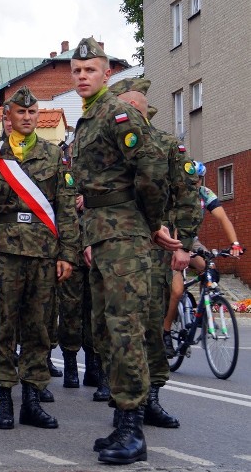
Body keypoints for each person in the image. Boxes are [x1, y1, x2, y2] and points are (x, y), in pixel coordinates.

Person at [70, 37, 180, 465]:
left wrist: (151, 223)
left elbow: (151, 167)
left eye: (90, 70)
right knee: (103, 329)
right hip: (101, 232)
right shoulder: (90, 116)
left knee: (124, 328)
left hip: (124, 232)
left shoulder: (117, 111)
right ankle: (121, 419)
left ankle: (133, 428)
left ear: (106, 72)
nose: (82, 77)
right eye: (77, 71)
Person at [0, 86, 79, 430]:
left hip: (44, 254)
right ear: (8, 116)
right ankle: (2, 398)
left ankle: (32, 399)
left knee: (39, 328)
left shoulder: (52, 155)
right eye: (21, 112)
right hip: (4, 252)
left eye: (32, 113)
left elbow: (66, 208)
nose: (27, 118)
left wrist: (68, 254)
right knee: (1, 327)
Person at [112, 78, 200, 430]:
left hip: (155, 250)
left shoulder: (166, 144)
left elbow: (187, 197)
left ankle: (151, 398)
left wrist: (185, 246)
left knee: (149, 326)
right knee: (115, 328)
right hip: (116, 249)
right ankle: (122, 398)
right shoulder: (109, 147)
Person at [162, 163, 241, 355]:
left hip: (192, 240)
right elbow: (172, 224)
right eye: (191, 178)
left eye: (198, 179)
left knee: (210, 268)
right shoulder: (175, 193)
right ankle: (165, 332)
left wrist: (235, 244)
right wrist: (179, 250)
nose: (194, 182)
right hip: (172, 240)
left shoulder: (204, 194)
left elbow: (223, 218)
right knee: (177, 289)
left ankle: (204, 310)